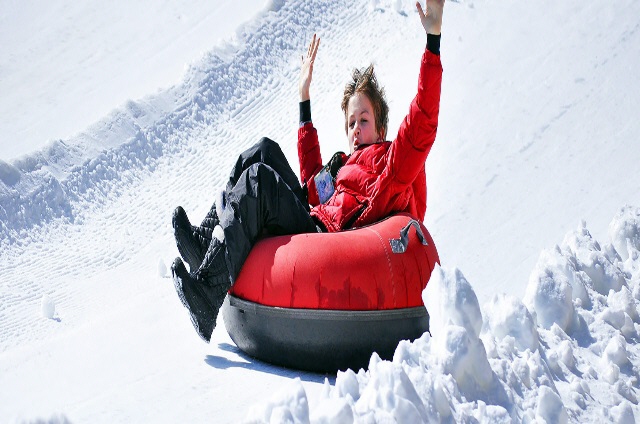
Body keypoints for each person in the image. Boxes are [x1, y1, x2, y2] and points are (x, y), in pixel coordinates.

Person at [171, 0, 446, 342]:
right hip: (312, 217)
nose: (356, 129)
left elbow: (420, 127)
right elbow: (313, 182)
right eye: (351, 122)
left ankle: (208, 294)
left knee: (259, 181)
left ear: (381, 127)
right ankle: (205, 241)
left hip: (324, 238)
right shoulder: (344, 165)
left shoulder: (388, 168)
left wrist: (432, 43)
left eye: (364, 120)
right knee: (263, 150)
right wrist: (304, 99)